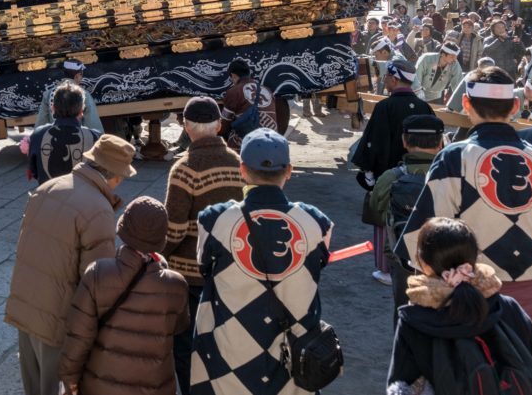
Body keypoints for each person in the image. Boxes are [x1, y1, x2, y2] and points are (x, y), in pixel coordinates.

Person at [399, 66, 532, 341]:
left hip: (468, 299)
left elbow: (423, 236)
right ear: (516, 105)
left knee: (473, 379)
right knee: (526, 377)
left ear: (466, 103)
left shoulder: (454, 157)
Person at [189, 129, 333, 395]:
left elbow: (205, 268)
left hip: (227, 354)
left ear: (242, 169)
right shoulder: (317, 222)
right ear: (289, 171)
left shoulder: (213, 220)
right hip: (294, 353)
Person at [6, 133, 135, 395]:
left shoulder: (47, 187)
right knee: (57, 386)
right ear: (117, 177)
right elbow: (97, 281)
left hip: (25, 304)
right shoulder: (99, 209)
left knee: (34, 385)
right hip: (58, 317)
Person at [388, 217, 532, 394]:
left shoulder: (413, 321)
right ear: (475, 257)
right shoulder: (508, 307)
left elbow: (401, 386)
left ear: (423, 262)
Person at [58, 196, 190, 395]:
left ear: (124, 230)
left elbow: (79, 336)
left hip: (101, 384)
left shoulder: (98, 273)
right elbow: (179, 327)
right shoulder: (177, 284)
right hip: (155, 386)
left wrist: (69, 378)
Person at [162, 96, 244, 395]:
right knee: (224, 343)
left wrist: (158, 255)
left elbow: (173, 229)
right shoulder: (239, 163)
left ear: (185, 126)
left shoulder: (184, 168)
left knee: (187, 347)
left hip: (190, 274)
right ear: (219, 126)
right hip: (231, 270)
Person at [353, 57, 434, 285]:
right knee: (419, 219)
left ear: (394, 78)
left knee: (386, 220)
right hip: (421, 175)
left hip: (390, 175)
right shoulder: (424, 107)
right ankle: (420, 266)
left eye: (387, 77)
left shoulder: (385, 107)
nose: (386, 81)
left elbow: (374, 144)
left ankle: (387, 269)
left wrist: (368, 170)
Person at [370, 114, 446, 320]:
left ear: (404, 141)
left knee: (404, 309)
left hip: (402, 256)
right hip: (445, 256)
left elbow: (377, 210)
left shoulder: (390, 177)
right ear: (441, 142)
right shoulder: (451, 175)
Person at [27, 80, 101, 185]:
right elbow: (100, 173)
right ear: (81, 111)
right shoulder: (95, 137)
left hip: (48, 196)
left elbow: (34, 171)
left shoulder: (37, 135)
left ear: (53, 108)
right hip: (83, 197)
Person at [34, 59, 104, 136]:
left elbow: (41, 123)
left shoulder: (48, 94)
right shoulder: (83, 94)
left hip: (54, 139)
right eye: (81, 75)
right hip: (78, 140)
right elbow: (92, 124)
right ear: (77, 75)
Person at [220, 58, 279, 142]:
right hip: (272, 140)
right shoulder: (267, 90)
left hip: (249, 143)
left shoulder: (234, 92)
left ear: (233, 76)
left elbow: (224, 125)